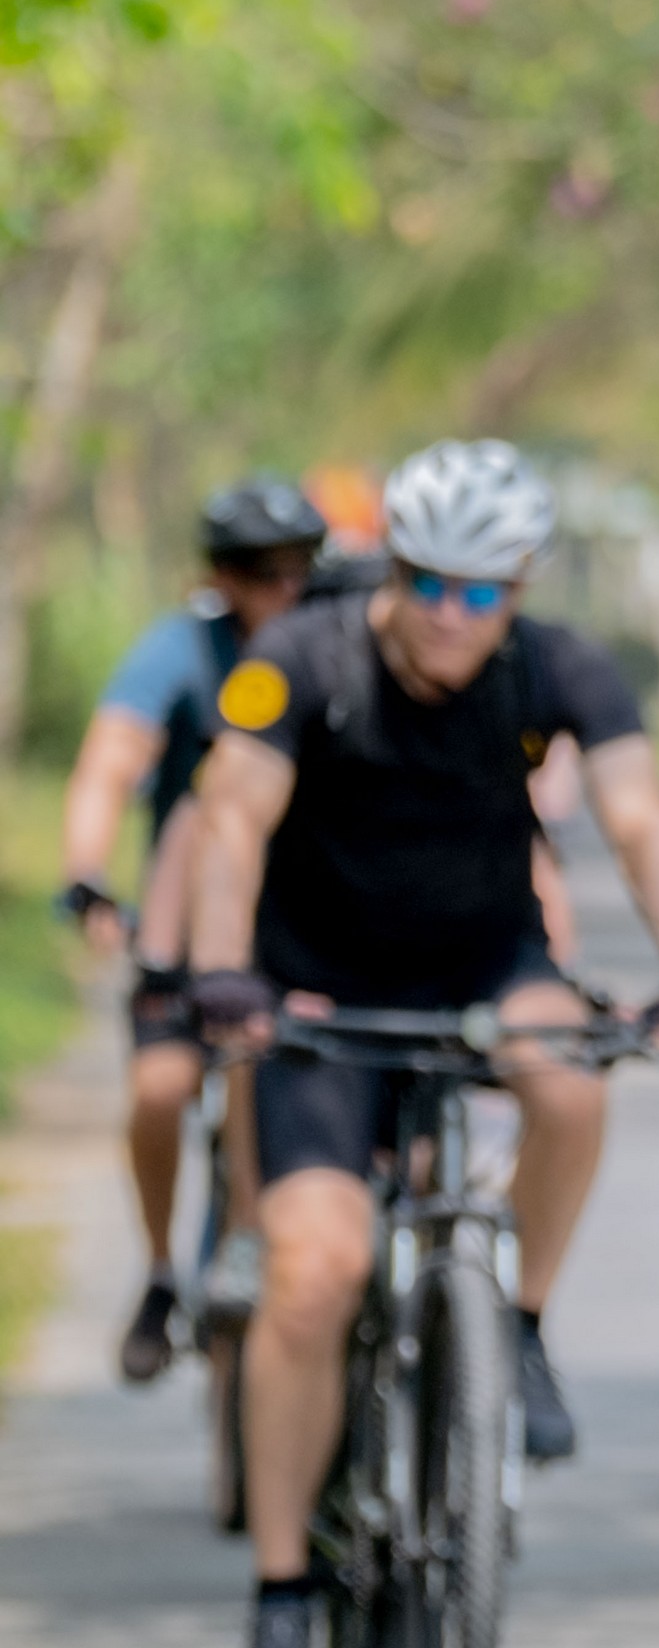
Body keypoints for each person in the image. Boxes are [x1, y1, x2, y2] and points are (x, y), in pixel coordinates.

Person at [182, 439, 659, 1648]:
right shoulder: (300, 660)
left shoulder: (559, 670)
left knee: (575, 1085)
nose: (448, 613)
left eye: (480, 591)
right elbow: (231, 816)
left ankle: (521, 1326)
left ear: (521, 589)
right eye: (427, 580)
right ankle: (282, 1583)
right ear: (392, 566)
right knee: (314, 1273)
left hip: (487, 967)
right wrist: (224, 969)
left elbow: (639, 816)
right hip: (315, 996)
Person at [57, 476, 327, 1383]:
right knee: (162, 1088)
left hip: (299, 923)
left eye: (300, 570)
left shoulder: (335, 648)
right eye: (261, 571)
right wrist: (89, 876)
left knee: (277, 1066)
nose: (283, 589)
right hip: (186, 929)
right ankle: (163, 1272)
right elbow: (110, 763)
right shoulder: (180, 651)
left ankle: (259, 1242)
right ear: (222, 575)